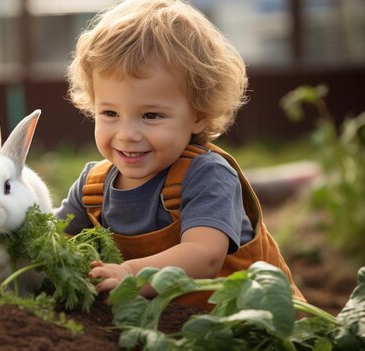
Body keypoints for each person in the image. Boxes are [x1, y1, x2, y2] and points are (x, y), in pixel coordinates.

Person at [55, 0, 304, 309]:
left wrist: (130, 273)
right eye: (109, 113)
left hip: (250, 327)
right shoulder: (92, 188)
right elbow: (54, 240)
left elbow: (205, 255)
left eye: (151, 116)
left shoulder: (206, 174)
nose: (127, 133)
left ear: (198, 115)